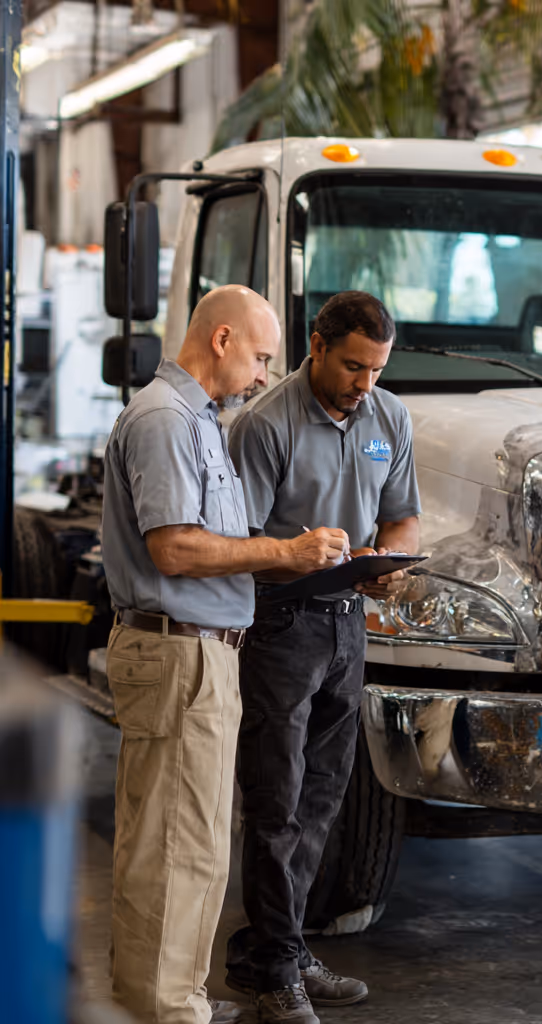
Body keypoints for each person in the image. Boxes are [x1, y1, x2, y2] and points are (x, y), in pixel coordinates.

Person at [102, 285, 351, 1024]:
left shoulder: (203, 423)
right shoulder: (163, 420)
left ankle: (173, 994)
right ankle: (165, 1010)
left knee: (197, 846)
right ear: (221, 340)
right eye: (261, 355)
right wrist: (284, 548)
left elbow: (218, 546)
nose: (266, 373)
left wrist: (308, 560)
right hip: (178, 654)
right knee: (174, 848)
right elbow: (174, 546)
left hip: (204, 655)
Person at [225, 291, 421, 1023]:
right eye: (351, 366)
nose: (363, 383)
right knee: (276, 802)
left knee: (322, 800)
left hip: (349, 623)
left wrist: (392, 559)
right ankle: (274, 969)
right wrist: (296, 556)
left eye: (375, 369)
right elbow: (238, 548)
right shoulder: (264, 425)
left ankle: (280, 948)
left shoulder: (388, 416)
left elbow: (402, 516)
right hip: (280, 625)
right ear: (316, 344)